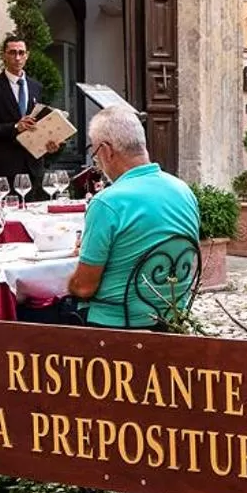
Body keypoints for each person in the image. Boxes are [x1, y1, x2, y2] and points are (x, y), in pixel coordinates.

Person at [65, 106, 200, 328]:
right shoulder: (184, 191)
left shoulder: (107, 203)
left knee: (34, 311)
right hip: (171, 316)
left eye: (94, 152)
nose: (96, 161)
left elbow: (83, 288)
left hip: (118, 323)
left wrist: (65, 281)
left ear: (107, 150)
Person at [0, 35, 63, 187]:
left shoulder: (36, 87)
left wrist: (51, 143)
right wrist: (14, 127)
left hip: (34, 166)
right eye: (12, 52)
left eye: (21, 53)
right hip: (4, 168)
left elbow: (42, 123)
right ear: (4, 56)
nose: (17, 57)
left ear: (27, 55)